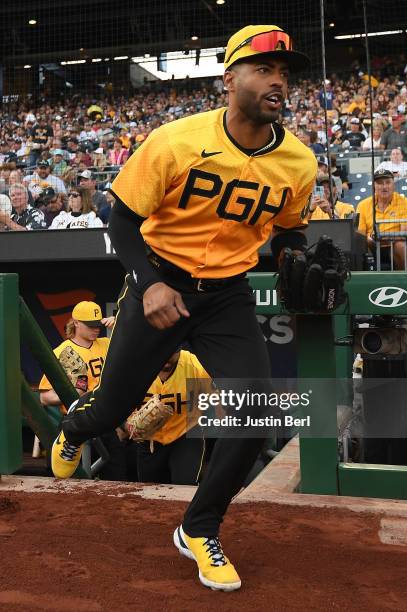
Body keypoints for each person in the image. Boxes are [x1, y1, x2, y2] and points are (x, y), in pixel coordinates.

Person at [51, 24, 315, 592]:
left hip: (227, 295)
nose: (278, 81)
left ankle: (199, 527)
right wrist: (146, 281)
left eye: (285, 73)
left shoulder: (298, 161)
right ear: (230, 79)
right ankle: (75, 427)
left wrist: (298, 262)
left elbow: (291, 234)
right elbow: (121, 219)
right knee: (110, 410)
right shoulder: (175, 140)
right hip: (160, 283)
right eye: (265, 68)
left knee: (257, 410)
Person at [39, 302, 127, 480]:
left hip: (105, 422)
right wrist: (74, 395)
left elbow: (137, 338)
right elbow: (44, 398)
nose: (96, 330)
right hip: (76, 422)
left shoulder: (107, 344)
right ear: (76, 323)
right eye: (90, 326)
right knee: (70, 482)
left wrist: (120, 321)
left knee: (117, 478)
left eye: (98, 325)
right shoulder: (62, 352)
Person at [129, 348, 210, 485]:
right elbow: (116, 401)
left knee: (184, 486)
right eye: (162, 349)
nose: (166, 356)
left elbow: (220, 393)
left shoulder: (194, 365)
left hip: (184, 433)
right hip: (149, 440)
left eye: (172, 351)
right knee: (150, 491)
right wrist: (127, 425)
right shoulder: (134, 366)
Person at [356, 169, 407, 269]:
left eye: (388, 182)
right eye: (380, 183)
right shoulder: (363, 205)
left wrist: (380, 237)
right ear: (374, 186)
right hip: (372, 246)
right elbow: (360, 234)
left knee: (400, 245)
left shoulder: (406, 203)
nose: (384, 187)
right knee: (360, 244)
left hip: (395, 246)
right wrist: (371, 239)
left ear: (394, 185)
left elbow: (404, 234)